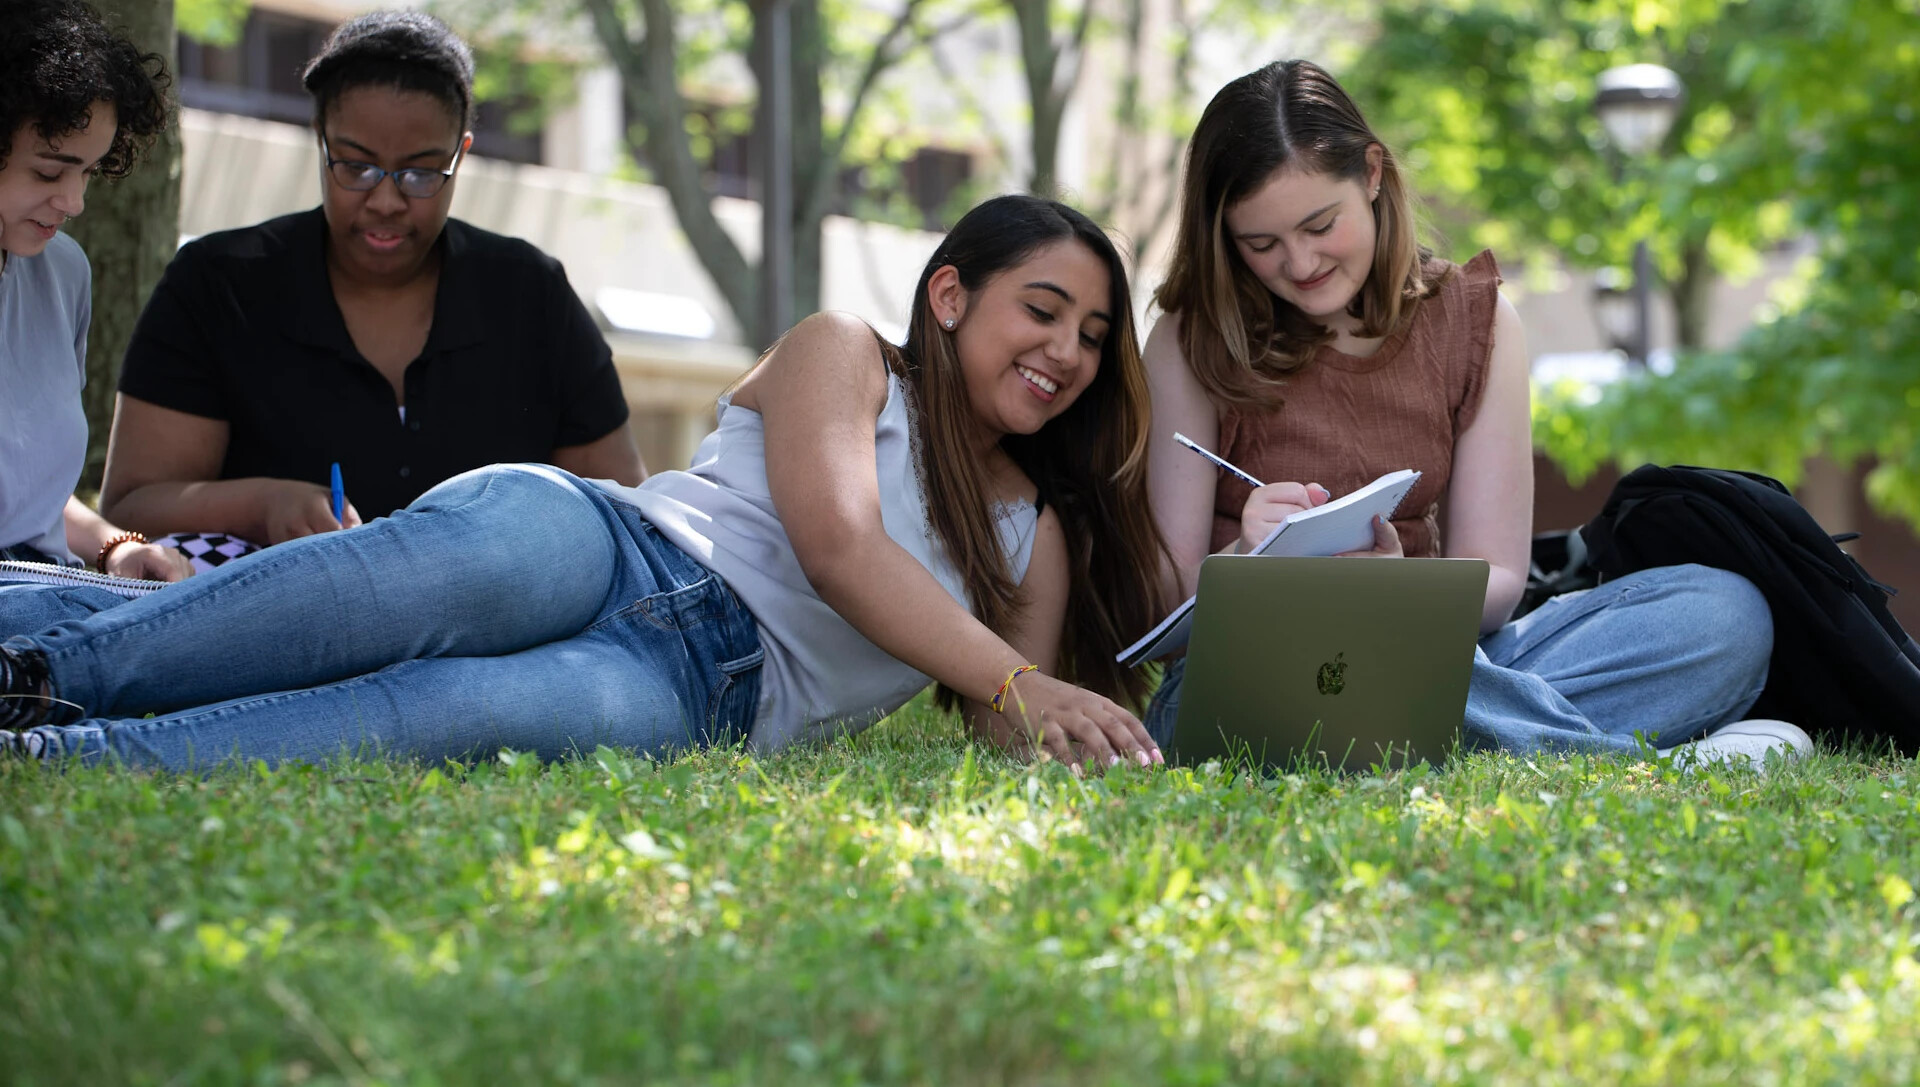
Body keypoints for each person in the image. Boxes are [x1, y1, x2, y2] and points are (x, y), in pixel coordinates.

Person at [0, 194, 1173, 773]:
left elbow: (996, 718)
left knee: (446, 714)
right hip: (609, 541)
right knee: (372, 600)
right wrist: (1023, 679)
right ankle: (42, 675)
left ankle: (54, 758)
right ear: (953, 295)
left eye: (1093, 334)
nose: (1066, 351)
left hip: (706, 693)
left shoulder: (1034, 532)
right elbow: (839, 545)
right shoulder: (847, 354)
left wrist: (1065, 724)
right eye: (1045, 311)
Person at [1140, 59, 1810, 764]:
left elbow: (1495, 580)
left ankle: (1451, 731)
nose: (1299, 263)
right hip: (1262, 670)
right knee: (1229, 703)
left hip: (1448, 655)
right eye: (1261, 245)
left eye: (1319, 225)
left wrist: (1396, 590)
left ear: (1372, 175)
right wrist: (1249, 560)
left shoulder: (1475, 319)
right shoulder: (1193, 338)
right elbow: (1162, 609)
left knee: (1726, 614)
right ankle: (1637, 764)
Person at [96, 11, 643, 564]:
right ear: (321, 140)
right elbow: (131, 508)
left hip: (496, 635)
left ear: (462, 152)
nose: (385, 201)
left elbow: (622, 512)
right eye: (356, 167)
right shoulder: (220, 284)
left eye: (422, 173)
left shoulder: (531, 294)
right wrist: (264, 502)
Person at [0, 0, 191, 631]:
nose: (75, 201)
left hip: (52, 595)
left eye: (88, 171)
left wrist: (117, 545)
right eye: (50, 171)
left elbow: (30, 500)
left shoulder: (62, 271)